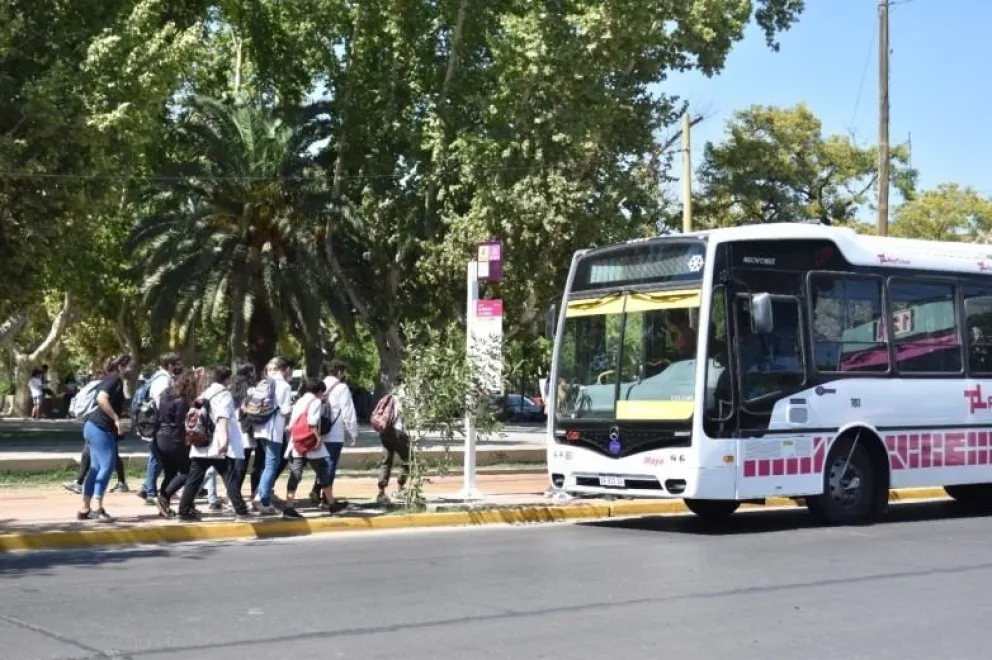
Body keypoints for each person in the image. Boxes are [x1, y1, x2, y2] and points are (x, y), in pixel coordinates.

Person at [177, 365, 250, 521]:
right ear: (227, 379)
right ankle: (241, 511)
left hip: (201, 443)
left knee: (193, 479)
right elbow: (222, 419)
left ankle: (183, 511)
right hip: (216, 444)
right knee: (230, 477)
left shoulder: (205, 393)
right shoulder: (224, 395)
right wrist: (223, 443)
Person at [77, 354, 132, 523]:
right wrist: (116, 419)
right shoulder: (114, 380)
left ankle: (85, 508)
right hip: (99, 428)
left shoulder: (113, 379)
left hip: (93, 427)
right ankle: (97, 507)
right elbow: (101, 399)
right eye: (129, 366)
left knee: (95, 467)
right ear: (121, 366)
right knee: (107, 466)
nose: (132, 369)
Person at [282, 378, 335, 518]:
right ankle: (332, 504)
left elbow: (291, 424)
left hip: (297, 442)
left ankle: (289, 506)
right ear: (318, 391)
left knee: (296, 474)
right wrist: (318, 439)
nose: (323, 396)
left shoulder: (300, 401)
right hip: (310, 443)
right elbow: (312, 423)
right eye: (322, 393)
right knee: (324, 472)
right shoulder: (316, 402)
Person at [137, 353, 185, 504]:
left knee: (158, 456)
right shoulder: (163, 379)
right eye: (176, 363)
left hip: (157, 421)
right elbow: (161, 401)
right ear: (170, 365)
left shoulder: (160, 377)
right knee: (156, 457)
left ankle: (148, 488)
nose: (178, 367)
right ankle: (150, 492)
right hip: (158, 422)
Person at [310, 359, 358, 510]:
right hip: (334, 432)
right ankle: (326, 499)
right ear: (339, 372)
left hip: (318, 431)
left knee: (321, 463)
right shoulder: (342, 387)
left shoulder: (319, 384)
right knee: (330, 464)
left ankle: (317, 490)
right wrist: (353, 432)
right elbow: (348, 411)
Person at [153, 369, 198, 518]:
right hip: (174, 439)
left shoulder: (166, 394)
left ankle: (163, 506)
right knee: (187, 471)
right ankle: (164, 498)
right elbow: (180, 424)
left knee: (170, 472)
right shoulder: (182, 401)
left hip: (160, 437)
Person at [253, 357, 294, 515]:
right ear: (285, 369)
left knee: (269, 463)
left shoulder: (263, 383)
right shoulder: (284, 385)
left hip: (259, 427)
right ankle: (262, 499)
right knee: (272, 464)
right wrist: (289, 427)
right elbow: (285, 410)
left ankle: (261, 494)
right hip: (273, 430)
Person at [230, 363, 264, 499]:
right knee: (249, 464)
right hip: (247, 429)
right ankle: (250, 493)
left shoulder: (233, 389)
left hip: (236, 428)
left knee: (239, 464)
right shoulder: (251, 390)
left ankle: (235, 492)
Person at [376, 376, 410, 505]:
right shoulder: (405, 395)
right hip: (398, 431)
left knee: (386, 461)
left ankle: (381, 492)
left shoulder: (390, 395)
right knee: (408, 460)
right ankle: (400, 488)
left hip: (385, 432)